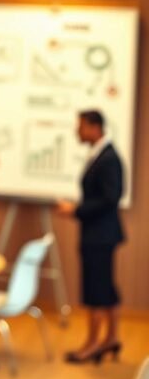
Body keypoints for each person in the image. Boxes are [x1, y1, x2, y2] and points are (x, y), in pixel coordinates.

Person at [56, 109, 126, 364]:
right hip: (98, 233)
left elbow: (110, 198)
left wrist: (76, 209)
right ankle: (111, 339)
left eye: (81, 126)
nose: (77, 131)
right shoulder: (100, 155)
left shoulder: (108, 158)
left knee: (97, 290)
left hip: (100, 234)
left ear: (95, 128)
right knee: (106, 288)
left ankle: (93, 344)